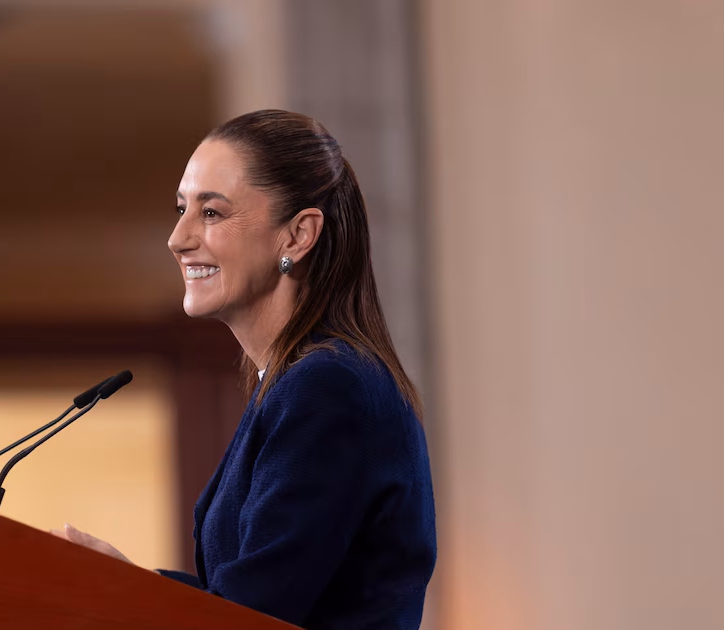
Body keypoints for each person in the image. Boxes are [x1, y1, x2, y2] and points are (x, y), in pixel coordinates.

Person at [53, 109, 437, 629]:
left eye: (211, 213)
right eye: (182, 209)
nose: (178, 238)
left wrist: (124, 597)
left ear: (297, 235)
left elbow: (250, 617)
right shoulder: (299, 381)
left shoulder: (327, 386)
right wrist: (126, 581)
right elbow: (253, 596)